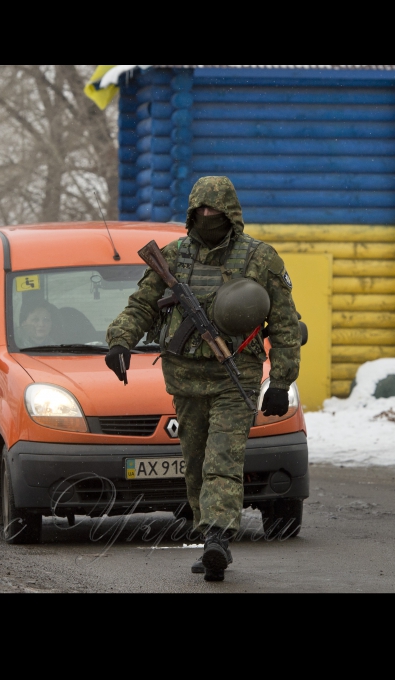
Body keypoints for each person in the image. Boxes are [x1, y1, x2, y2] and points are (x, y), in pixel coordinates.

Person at [105, 176, 301, 582]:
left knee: (222, 459)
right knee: (194, 462)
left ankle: (218, 537)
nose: (208, 217)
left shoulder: (260, 259)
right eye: (201, 211)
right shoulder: (173, 257)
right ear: (192, 213)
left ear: (231, 213)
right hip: (185, 378)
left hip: (237, 378)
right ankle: (207, 528)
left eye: (216, 211)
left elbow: (284, 324)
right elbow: (142, 305)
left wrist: (280, 381)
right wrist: (121, 340)